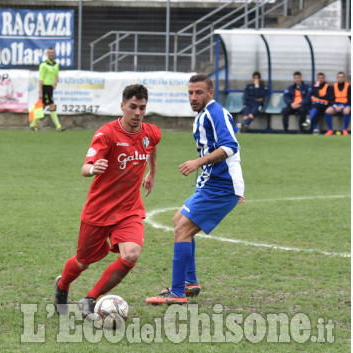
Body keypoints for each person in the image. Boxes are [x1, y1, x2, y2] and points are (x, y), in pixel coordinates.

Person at [54, 84, 161, 318]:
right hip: (99, 210)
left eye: (142, 108)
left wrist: (152, 172)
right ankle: (62, 286)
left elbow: (151, 147)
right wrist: (93, 169)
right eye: (132, 107)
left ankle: (90, 298)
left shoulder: (151, 132)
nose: (137, 112)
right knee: (83, 262)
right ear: (122, 106)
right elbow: (85, 167)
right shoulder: (107, 134)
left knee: (131, 254)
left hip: (130, 208)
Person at [146, 74, 244, 305]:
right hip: (214, 184)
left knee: (182, 230)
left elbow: (230, 146)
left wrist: (197, 163)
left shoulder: (215, 112)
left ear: (210, 93)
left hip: (221, 186)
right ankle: (190, 282)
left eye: (198, 92)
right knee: (178, 220)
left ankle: (177, 292)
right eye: (190, 92)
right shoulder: (205, 114)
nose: (193, 97)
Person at [30, 47, 65, 132]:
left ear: (54, 54)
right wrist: (41, 92)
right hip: (45, 87)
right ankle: (58, 126)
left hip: (50, 88)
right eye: (49, 53)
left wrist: (55, 83)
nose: (51, 54)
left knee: (44, 106)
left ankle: (33, 124)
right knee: (51, 105)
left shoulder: (56, 64)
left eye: (52, 53)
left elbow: (57, 76)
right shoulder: (43, 65)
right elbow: (41, 79)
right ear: (47, 54)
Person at [324, 71, 351, 136]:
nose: (340, 78)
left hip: (346, 104)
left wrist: (343, 105)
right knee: (327, 111)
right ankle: (330, 130)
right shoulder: (333, 86)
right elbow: (331, 98)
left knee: (346, 111)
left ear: (344, 78)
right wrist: (335, 105)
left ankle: (345, 130)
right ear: (337, 78)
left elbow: (350, 98)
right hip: (336, 105)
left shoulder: (348, 86)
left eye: (342, 77)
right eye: (339, 77)